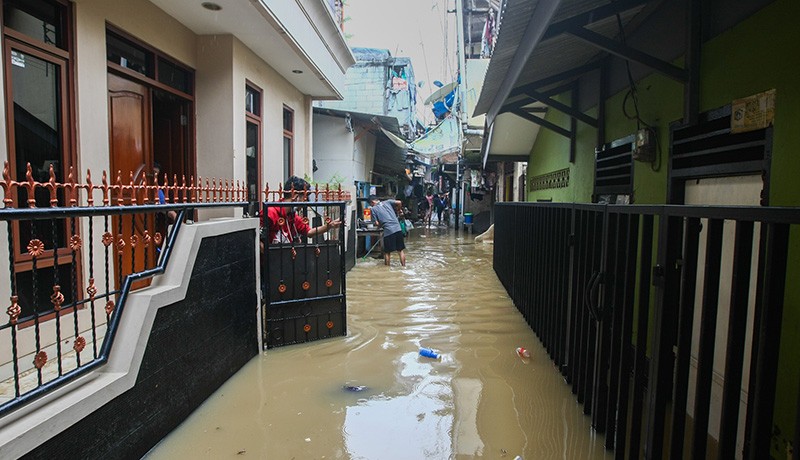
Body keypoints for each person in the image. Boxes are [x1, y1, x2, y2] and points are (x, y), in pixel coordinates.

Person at [261, 176, 342, 246]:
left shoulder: (291, 215)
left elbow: (309, 232)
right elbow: (257, 240)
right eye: (304, 197)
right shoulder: (270, 213)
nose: (305, 201)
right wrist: (269, 255)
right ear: (295, 196)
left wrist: (330, 225)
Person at [368, 194, 406, 267]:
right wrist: (398, 210)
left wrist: (380, 226)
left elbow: (377, 223)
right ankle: (404, 267)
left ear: (372, 202)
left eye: (371, 204)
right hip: (398, 229)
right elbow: (399, 202)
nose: (371, 206)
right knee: (400, 251)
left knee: (387, 252)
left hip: (388, 231)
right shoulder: (388, 202)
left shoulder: (373, 209)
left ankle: (387, 269)